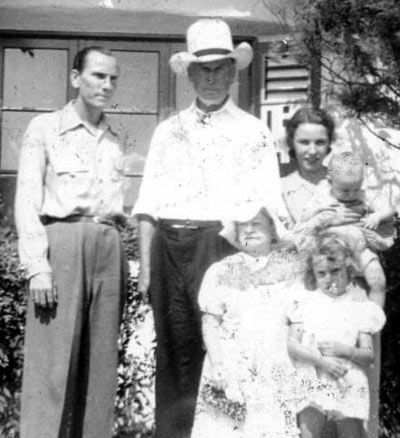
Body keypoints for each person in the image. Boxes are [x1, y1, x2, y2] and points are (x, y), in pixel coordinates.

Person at [132, 18, 285, 438]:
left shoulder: (253, 132)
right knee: (175, 353)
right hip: (169, 250)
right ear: (190, 75)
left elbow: (268, 207)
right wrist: (146, 269)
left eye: (221, 68)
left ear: (235, 73)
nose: (213, 77)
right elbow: (147, 205)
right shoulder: (167, 131)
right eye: (204, 69)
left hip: (223, 247)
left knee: (224, 353)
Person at [15, 46, 127, 438]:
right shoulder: (43, 129)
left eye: (113, 78)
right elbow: (27, 201)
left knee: (100, 368)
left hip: (108, 246)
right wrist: (37, 266)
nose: (107, 85)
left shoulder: (115, 136)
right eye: (98, 75)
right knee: (52, 366)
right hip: (61, 244)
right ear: (75, 77)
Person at [280, 106, 385, 438]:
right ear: (291, 143)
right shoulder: (281, 187)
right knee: (310, 405)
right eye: (304, 142)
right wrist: (322, 221)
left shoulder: (347, 181)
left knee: (354, 398)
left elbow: (380, 227)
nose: (312, 151)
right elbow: (282, 245)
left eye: (320, 142)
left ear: (330, 145)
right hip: (305, 293)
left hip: (350, 299)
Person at [191, 201, 301, 438]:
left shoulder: (293, 269)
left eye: (256, 224)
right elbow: (211, 322)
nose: (249, 229)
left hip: (276, 362)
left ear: (272, 229)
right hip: (231, 363)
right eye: (242, 225)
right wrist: (218, 364)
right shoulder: (221, 270)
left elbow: (299, 322)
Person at [287, 232, 386, 438]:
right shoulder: (305, 303)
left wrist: (345, 350)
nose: (329, 278)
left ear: (349, 270)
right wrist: (321, 362)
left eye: (335, 271)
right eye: (321, 273)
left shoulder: (359, 306)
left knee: (350, 434)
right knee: (309, 433)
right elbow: (293, 346)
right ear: (313, 274)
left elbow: (368, 355)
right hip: (313, 373)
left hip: (347, 377)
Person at [297, 150, 395, 306]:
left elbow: (391, 209)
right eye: (345, 190)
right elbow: (304, 217)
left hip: (359, 249)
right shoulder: (323, 195)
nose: (351, 194)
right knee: (321, 284)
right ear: (330, 181)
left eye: (356, 188)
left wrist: (377, 216)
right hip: (330, 250)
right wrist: (319, 209)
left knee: (378, 280)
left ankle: (375, 321)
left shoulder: (363, 195)